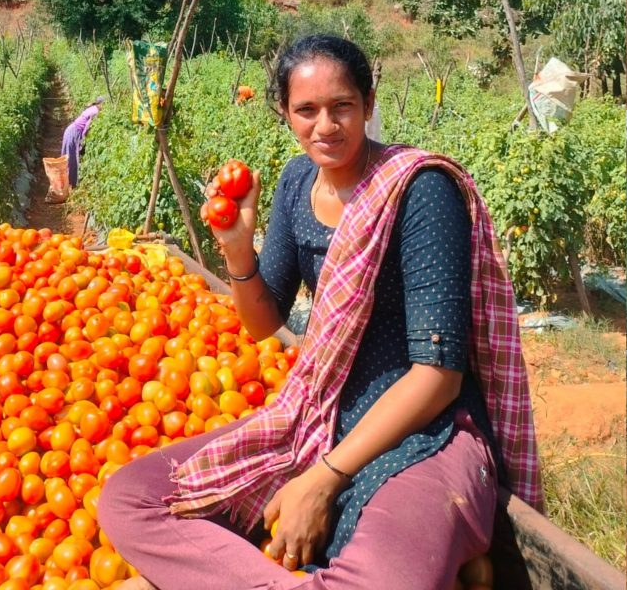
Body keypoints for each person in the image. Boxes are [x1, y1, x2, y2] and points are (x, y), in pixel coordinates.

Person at [98, 34, 542, 590]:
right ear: (284, 113)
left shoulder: (419, 190)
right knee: (130, 499)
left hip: (425, 432)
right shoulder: (296, 183)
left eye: (342, 107)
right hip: (322, 416)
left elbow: (439, 377)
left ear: (369, 103)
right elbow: (264, 322)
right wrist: (238, 248)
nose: (325, 126)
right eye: (306, 110)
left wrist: (323, 480)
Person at [60, 96, 105, 188]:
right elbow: (86, 129)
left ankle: (65, 184)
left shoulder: (93, 108)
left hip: (71, 130)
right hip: (73, 134)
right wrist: (84, 142)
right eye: (105, 105)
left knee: (68, 158)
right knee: (71, 159)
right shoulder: (96, 112)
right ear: (101, 104)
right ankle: (66, 185)